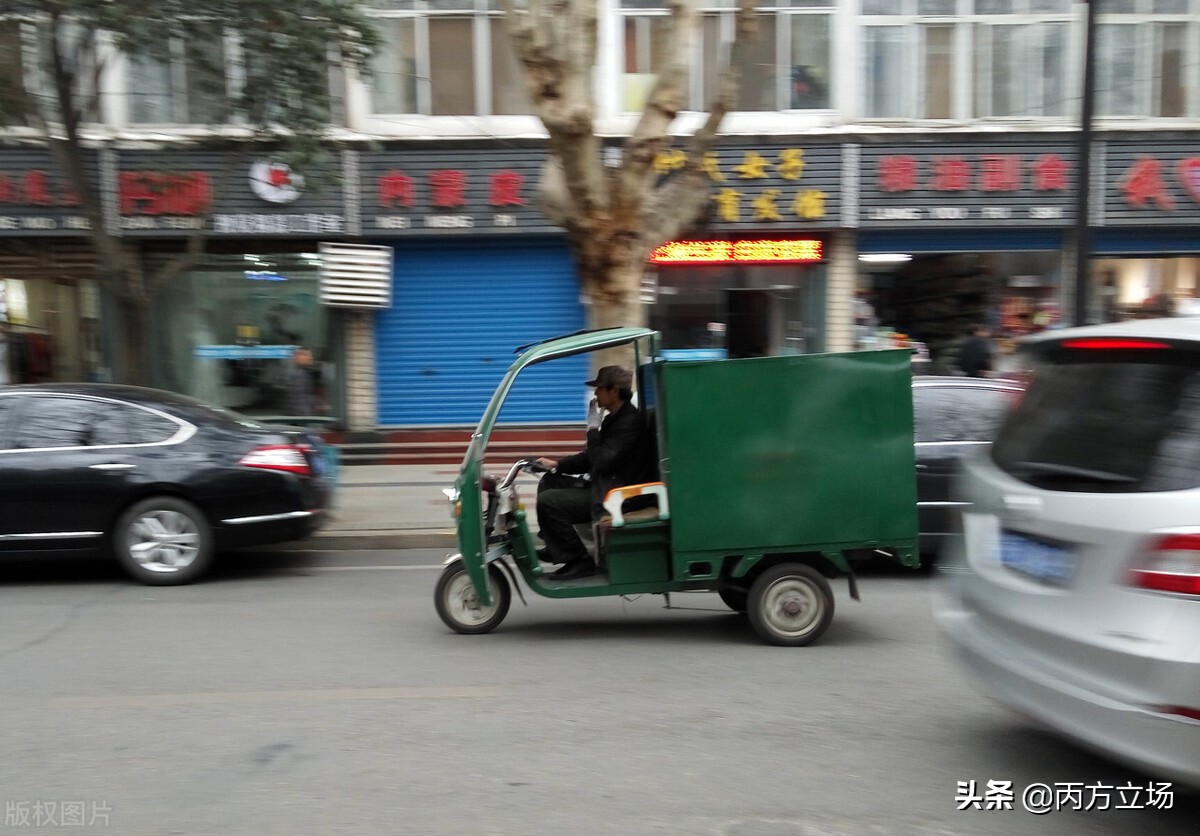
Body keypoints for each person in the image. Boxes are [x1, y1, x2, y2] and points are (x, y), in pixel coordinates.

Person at [534, 365, 655, 580]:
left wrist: (592, 430)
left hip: (618, 495)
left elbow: (600, 460)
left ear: (614, 391)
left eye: (599, 389)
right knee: (550, 481)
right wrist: (556, 465)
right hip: (605, 484)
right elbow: (591, 457)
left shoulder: (629, 423)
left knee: (548, 501)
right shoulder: (614, 419)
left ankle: (579, 560)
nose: (596, 394)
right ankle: (557, 546)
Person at [285, 347, 319, 417]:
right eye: (307, 355)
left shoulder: (304, 372)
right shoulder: (298, 374)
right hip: (303, 416)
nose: (310, 358)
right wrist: (307, 416)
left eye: (310, 355)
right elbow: (299, 398)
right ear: (298, 357)